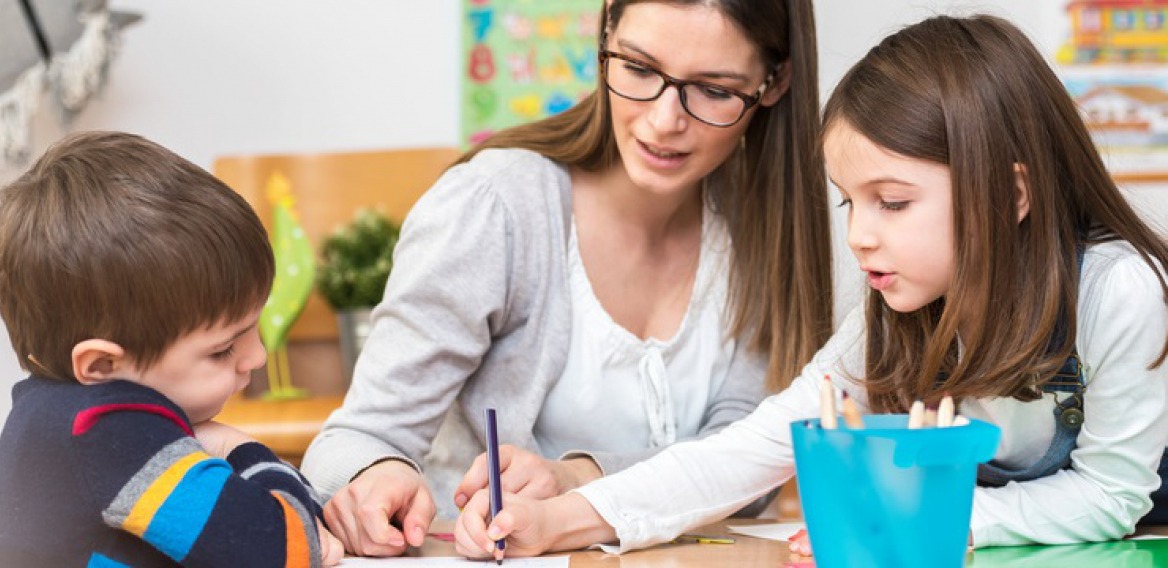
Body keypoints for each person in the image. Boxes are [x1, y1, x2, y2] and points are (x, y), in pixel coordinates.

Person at [453, 14, 1168, 560]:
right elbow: (756, 446)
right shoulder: (899, 306)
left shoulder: (1119, 293)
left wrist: (932, 520)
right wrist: (559, 521)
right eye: (848, 202)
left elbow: (1111, 496)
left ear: (1011, 195)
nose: (858, 236)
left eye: (892, 202)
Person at [302, 0, 843, 557]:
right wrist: (377, 474)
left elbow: (745, 470)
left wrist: (579, 479)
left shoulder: (762, 228)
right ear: (606, 27)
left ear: (774, 82)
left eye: (715, 91)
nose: (663, 121)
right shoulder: (496, 207)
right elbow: (354, 442)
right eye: (637, 68)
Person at [0, 132, 343, 567]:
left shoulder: (49, 410)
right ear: (103, 365)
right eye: (223, 350)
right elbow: (289, 548)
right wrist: (240, 448)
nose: (257, 357)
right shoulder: (108, 430)